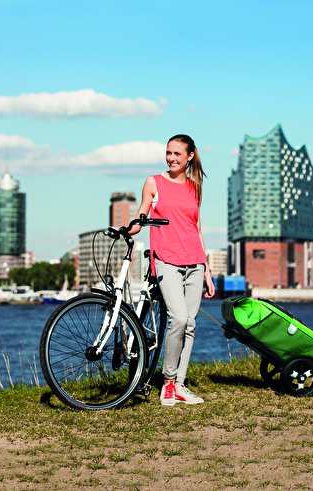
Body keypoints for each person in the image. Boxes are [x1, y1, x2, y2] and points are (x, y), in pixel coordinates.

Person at [132, 134, 215, 406]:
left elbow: (196, 227)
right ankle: (167, 382)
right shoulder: (154, 182)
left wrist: (207, 270)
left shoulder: (195, 187)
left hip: (194, 260)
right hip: (166, 259)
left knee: (190, 324)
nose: (171, 158)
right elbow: (141, 214)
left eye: (178, 154)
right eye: (168, 153)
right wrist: (129, 228)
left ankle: (180, 384)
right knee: (178, 318)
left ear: (190, 156)